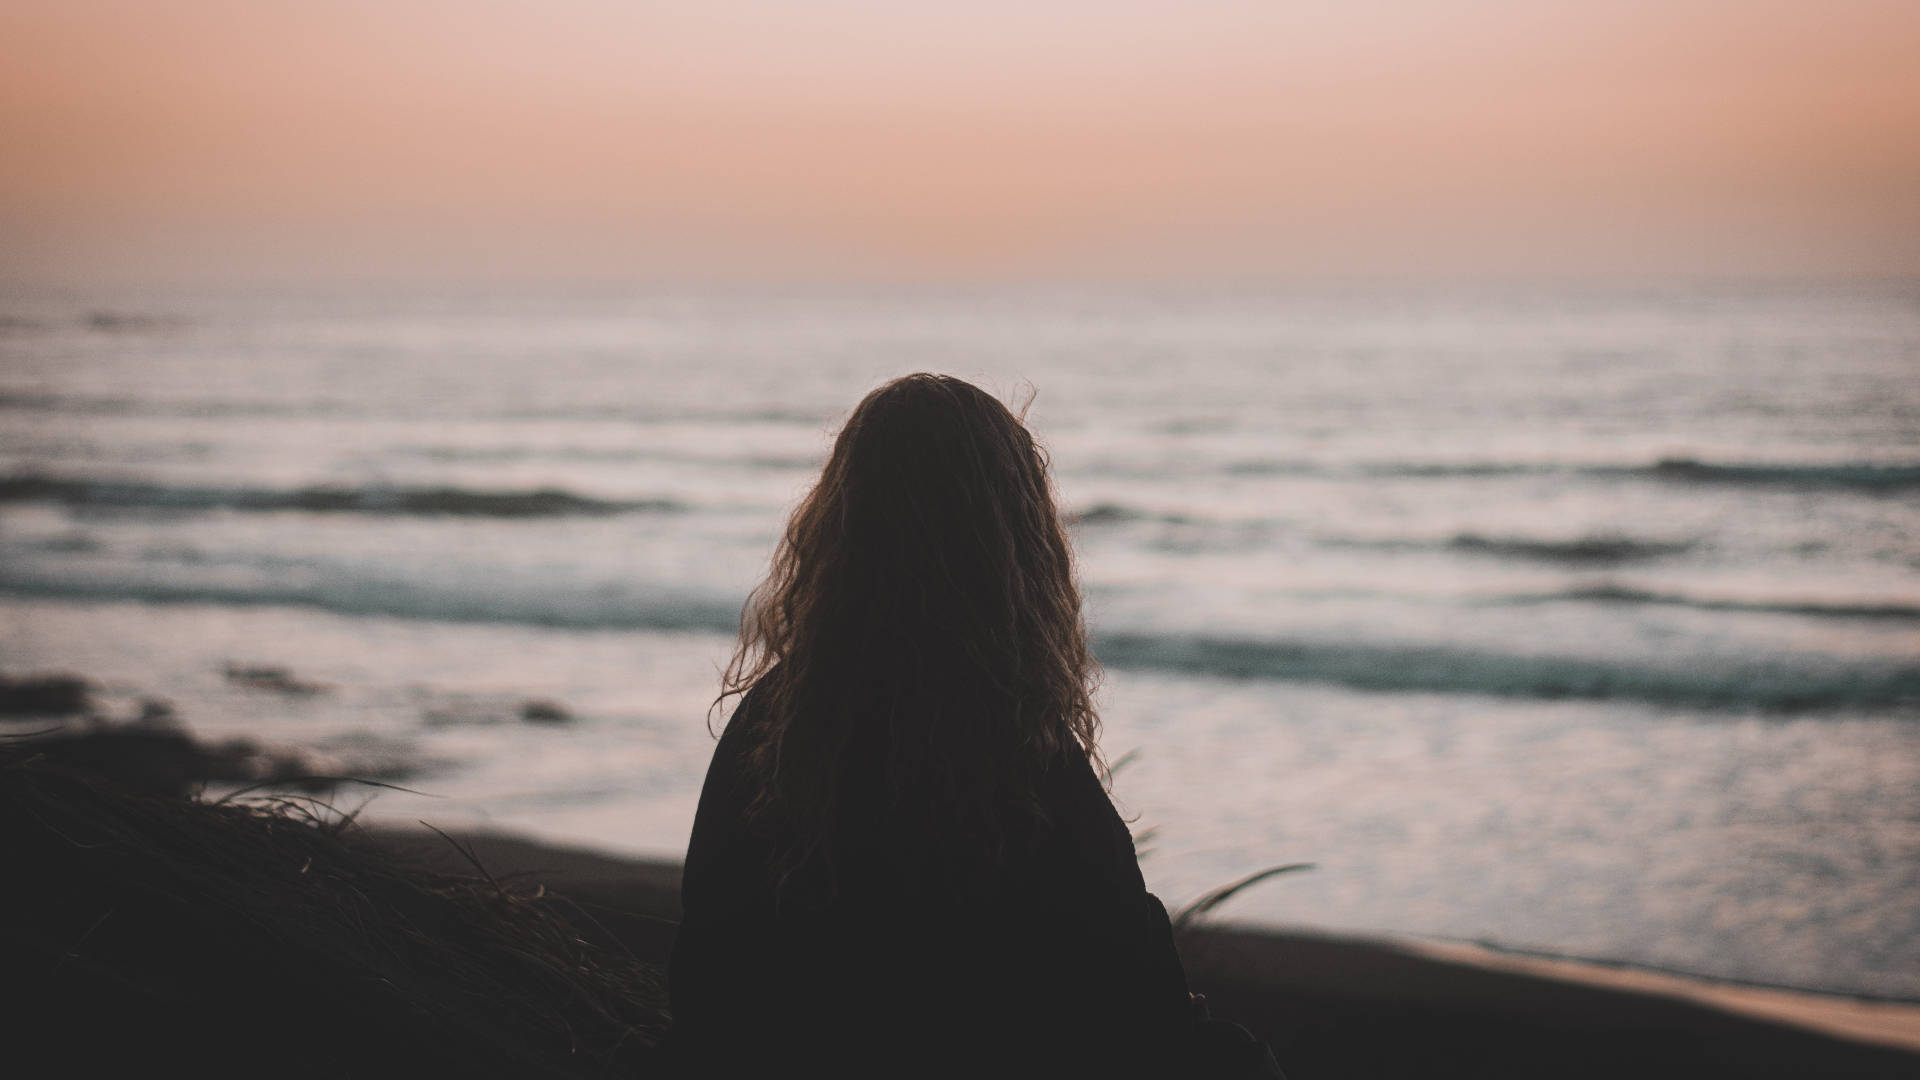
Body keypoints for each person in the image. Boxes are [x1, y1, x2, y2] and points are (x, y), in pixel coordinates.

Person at [665, 374, 1282, 1077]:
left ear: (842, 526)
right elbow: (1140, 1009)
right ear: (1014, 543)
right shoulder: (1015, 753)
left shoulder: (775, 726)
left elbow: (704, 975)